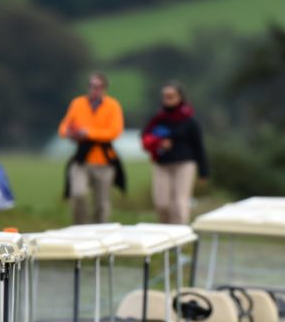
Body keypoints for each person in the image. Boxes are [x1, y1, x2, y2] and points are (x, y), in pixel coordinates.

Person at [58, 72, 125, 224]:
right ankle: (80, 229)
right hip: (82, 159)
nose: (95, 90)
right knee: (78, 194)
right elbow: (63, 127)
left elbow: (114, 132)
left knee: (101, 204)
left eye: (99, 87)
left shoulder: (113, 106)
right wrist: (69, 132)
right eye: (92, 86)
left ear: (104, 89)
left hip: (104, 161)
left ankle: (99, 233)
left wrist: (88, 133)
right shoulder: (77, 103)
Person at [141, 82, 209, 224]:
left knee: (179, 203)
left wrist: (204, 170)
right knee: (162, 204)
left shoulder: (190, 122)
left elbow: (198, 146)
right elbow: (145, 137)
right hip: (162, 163)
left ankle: (180, 237)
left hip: (184, 163)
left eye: (171, 96)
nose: (168, 100)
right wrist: (158, 143)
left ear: (180, 98)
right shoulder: (158, 120)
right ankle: (166, 232)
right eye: (165, 97)